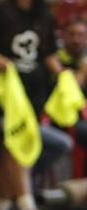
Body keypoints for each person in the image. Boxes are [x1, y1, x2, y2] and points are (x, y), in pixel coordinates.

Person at [0, 0, 62, 210]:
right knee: (16, 146)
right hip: (7, 94)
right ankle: (27, 209)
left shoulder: (44, 14)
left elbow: (49, 55)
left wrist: (65, 78)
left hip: (34, 94)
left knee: (9, 151)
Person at [55, 18, 87, 153]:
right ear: (63, 36)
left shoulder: (83, 59)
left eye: (81, 35)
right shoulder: (56, 61)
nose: (76, 40)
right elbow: (68, 91)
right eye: (72, 34)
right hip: (65, 118)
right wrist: (82, 72)